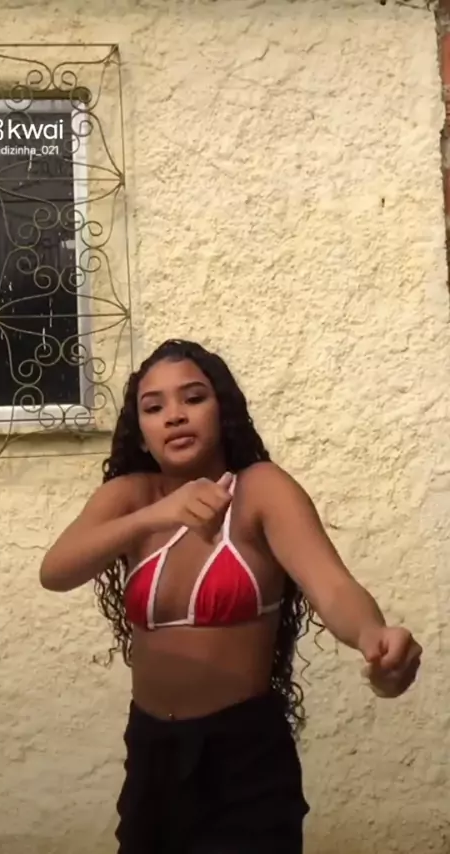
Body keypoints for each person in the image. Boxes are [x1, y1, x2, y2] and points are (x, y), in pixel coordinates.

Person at [40, 339, 422, 854]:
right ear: (142, 431)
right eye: (153, 407)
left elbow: (331, 584)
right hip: (152, 752)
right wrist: (158, 513)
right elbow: (56, 571)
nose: (174, 415)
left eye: (193, 398)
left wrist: (373, 636)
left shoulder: (260, 489)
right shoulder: (131, 496)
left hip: (242, 756)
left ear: (224, 411)